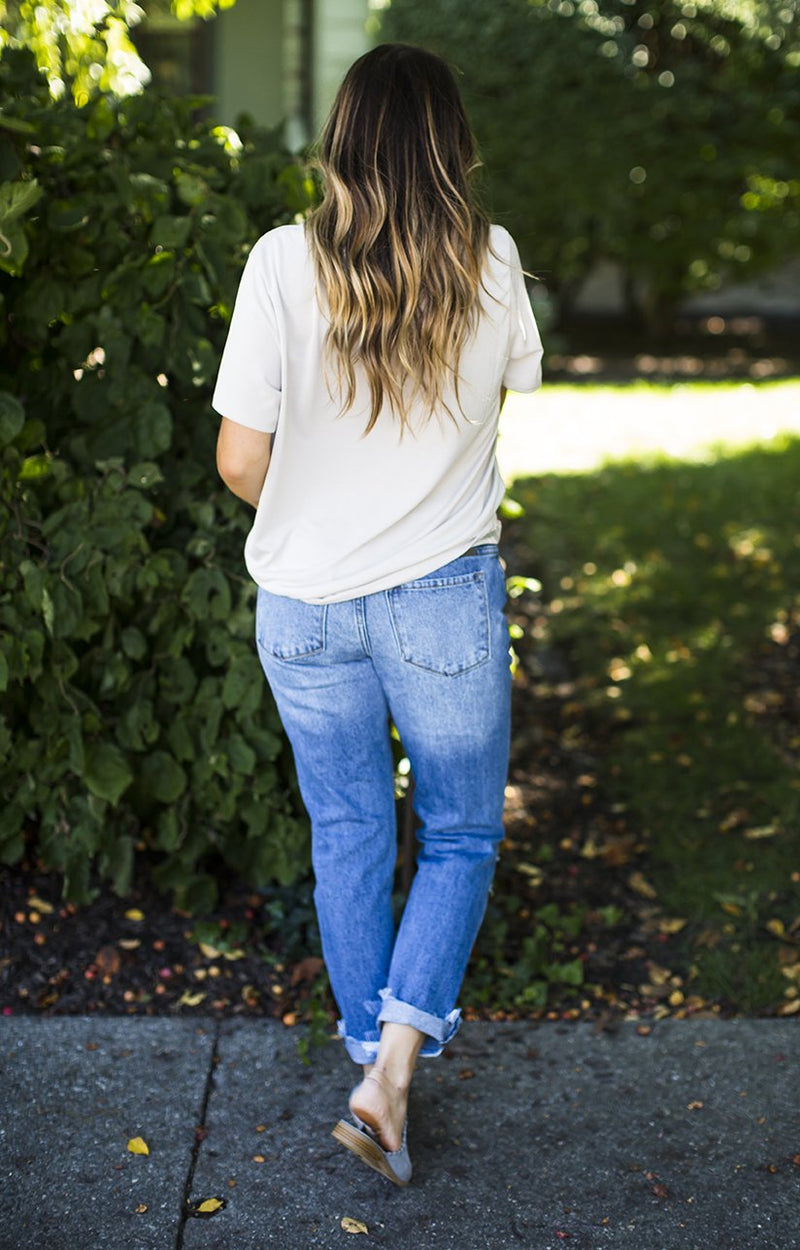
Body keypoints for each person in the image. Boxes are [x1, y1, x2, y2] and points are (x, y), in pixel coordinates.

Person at [212, 41, 543, 1186]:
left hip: (303, 605)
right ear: (449, 143)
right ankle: (388, 1075)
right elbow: (495, 411)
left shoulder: (274, 263)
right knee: (456, 831)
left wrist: (319, 513)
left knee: (349, 829)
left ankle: (376, 1075)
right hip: (441, 600)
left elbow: (238, 457)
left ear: (342, 137)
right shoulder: (491, 264)